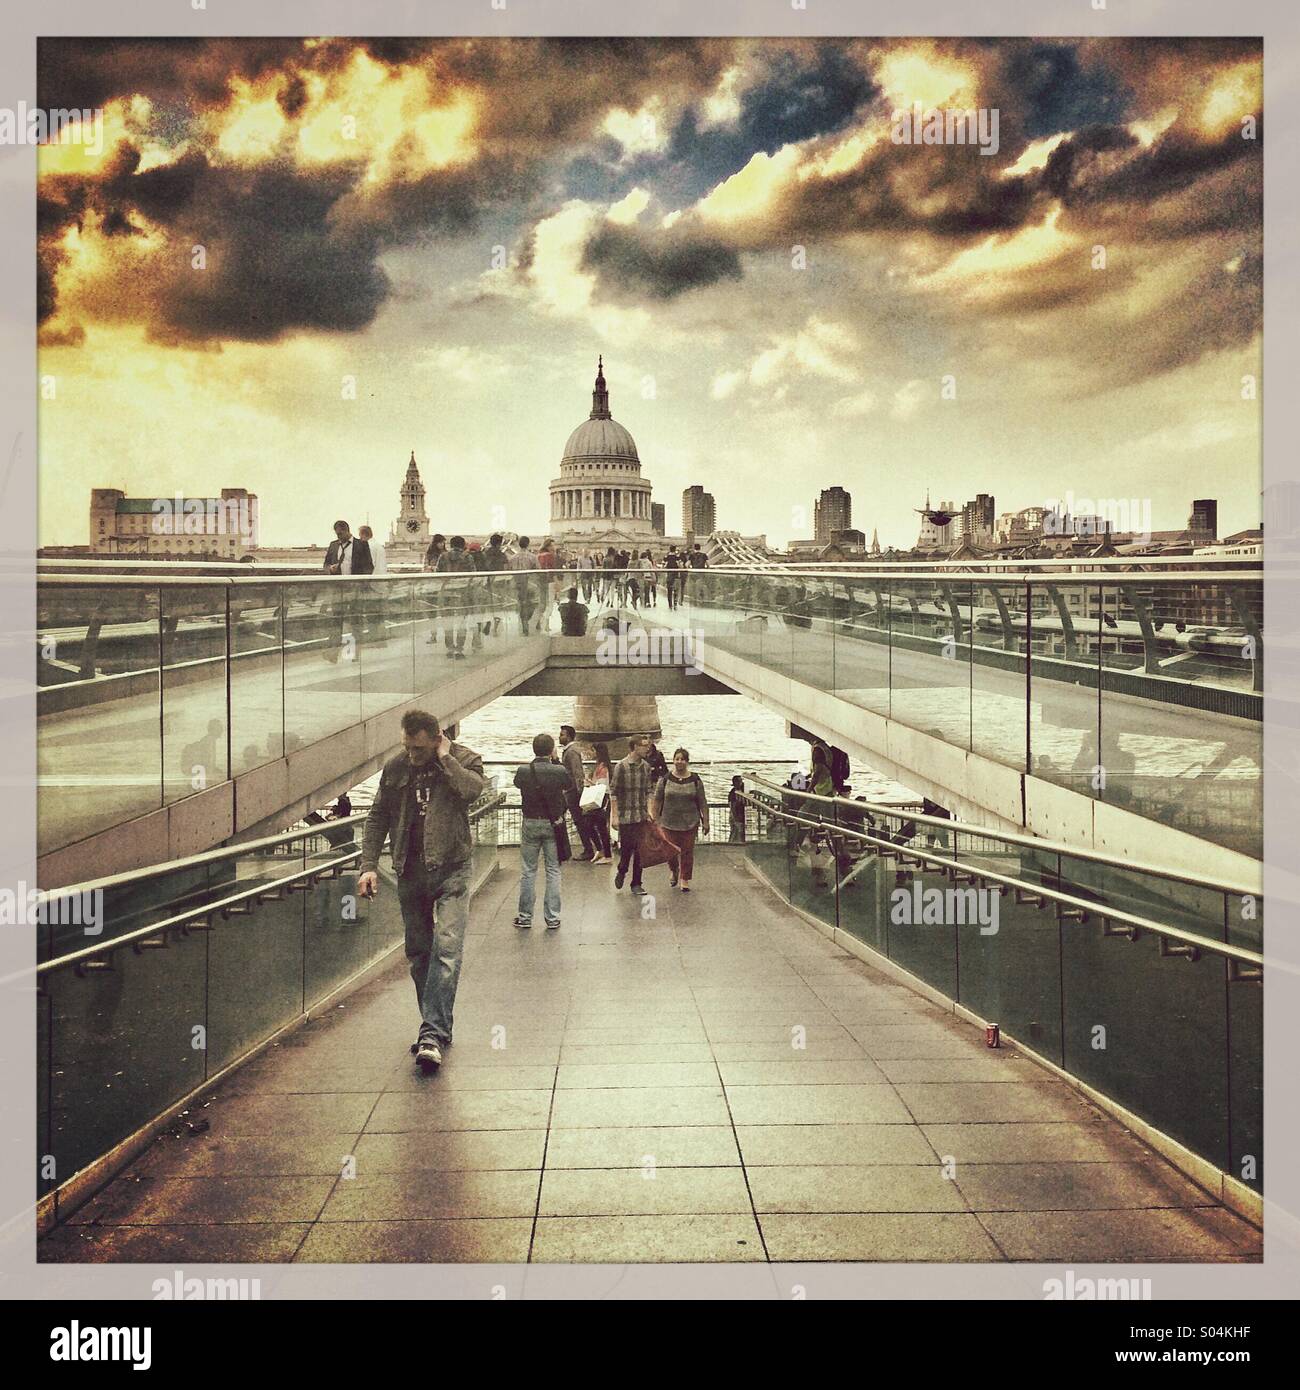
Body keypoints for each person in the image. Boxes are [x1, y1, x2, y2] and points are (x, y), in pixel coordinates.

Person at [358, 709, 486, 1071]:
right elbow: (377, 816)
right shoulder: (396, 768)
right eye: (406, 747)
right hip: (410, 871)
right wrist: (368, 866)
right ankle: (438, 1028)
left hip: (453, 869)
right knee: (419, 954)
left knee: (447, 948)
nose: (411, 755)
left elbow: (472, 791)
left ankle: (430, 1035)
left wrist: (446, 760)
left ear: (437, 739)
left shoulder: (464, 761)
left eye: (418, 748)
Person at [512, 732, 570, 929]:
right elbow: (568, 785)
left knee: (528, 870)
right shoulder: (559, 771)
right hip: (552, 823)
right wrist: (555, 761)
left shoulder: (523, 771)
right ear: (551, 750)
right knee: (553, 870)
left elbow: (517, 784)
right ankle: (552, 917)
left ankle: (525, 916)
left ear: (534, 749)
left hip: (530, 822)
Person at [650, 747, 710, 891]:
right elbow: (657, 800)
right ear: (673, 761)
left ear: (687, 761)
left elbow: (702, 801)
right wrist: (655, 819)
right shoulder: (665, 779)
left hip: (690, 821)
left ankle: (685, 878)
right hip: (669, 821)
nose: (679, 762)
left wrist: (706, 821)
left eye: (682, 759)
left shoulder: (695, 780)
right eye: (677, 759)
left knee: (687, 851)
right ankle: (674, 870)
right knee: (670, 850)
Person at [322, 520, 373, 661]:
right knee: (335, 622)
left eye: (340, 534)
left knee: (356, 623)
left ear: (346, 531)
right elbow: (325, 564)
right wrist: (330, 569)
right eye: (336, 534)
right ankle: (333, 654)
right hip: (338, 591)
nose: (339, 537)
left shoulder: (361, 545)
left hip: (355, 591)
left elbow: (369, 567)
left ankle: (356, 653)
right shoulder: (333, 546)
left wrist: (360, 585)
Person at [610, 734, 653, 895]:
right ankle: (622, 870)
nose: (647, 748)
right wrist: (614, 816)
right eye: (643, 745)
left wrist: (649, 811)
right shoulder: (621, 766)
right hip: (626, 815)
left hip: (640, 815)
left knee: (641, 850)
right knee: (627, 849)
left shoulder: (646, 767)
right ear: (634, 747)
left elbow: (648, 790)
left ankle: (636, 883)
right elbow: (613, 792)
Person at [557, 723, 597, 861]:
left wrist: (580, 792)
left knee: (580, 821)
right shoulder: (571, 750)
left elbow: (577, 772)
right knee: (578, 820)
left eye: (562, 735)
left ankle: (588, 849)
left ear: (568, 737)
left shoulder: (571, 751)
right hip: (570, 791)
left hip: (572, 792)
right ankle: (592, 848)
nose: (559, 737)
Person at [435, 535, 476, 658]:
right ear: (463, 545)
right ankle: (459, 648)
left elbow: (437, 573)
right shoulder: (468, 557)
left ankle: (449, 648)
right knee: (462, 621)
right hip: (462, 593)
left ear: (451, 545)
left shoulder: (443, 556)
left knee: (448, 622)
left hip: (446, 592)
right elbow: (473, 575)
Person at [584, 741, 614, 863]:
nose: (591, 753)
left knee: (596, 826)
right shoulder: (602, 766)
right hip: (602, 798)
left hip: (602, 799)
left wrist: (589, 782)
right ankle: (602, 851)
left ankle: (606, 853)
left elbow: (601, 786)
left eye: (593, 750)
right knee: (596, 826)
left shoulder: (603, 768)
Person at [510, 535, 541, 634]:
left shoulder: (512, 557)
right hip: (529, 583)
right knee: (532, 602)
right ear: (528, 544)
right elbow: (539, 570)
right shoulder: (532, 557)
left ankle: (524, 622)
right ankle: (528, 620)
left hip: (517, 584)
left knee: (522, 603)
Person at [728, 775, 747, 844]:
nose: (741, 783)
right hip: (736, 815)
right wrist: (735, 818)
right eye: (739, 781)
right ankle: (732, 844)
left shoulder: (744, 790)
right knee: (735, 831)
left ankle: (738, 843)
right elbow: (732, 806)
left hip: (741, 814)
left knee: (739, 831)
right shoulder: (733, 793)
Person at [663, 545, 681, 610]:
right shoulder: (677, 557)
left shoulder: (666, 557)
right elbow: (680, 565)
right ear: (675, 549)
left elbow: (664, 565)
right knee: (676, 590)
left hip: (669, 574)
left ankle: (670, 605)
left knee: (669, 590)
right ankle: (675, 604)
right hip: (676, 575)